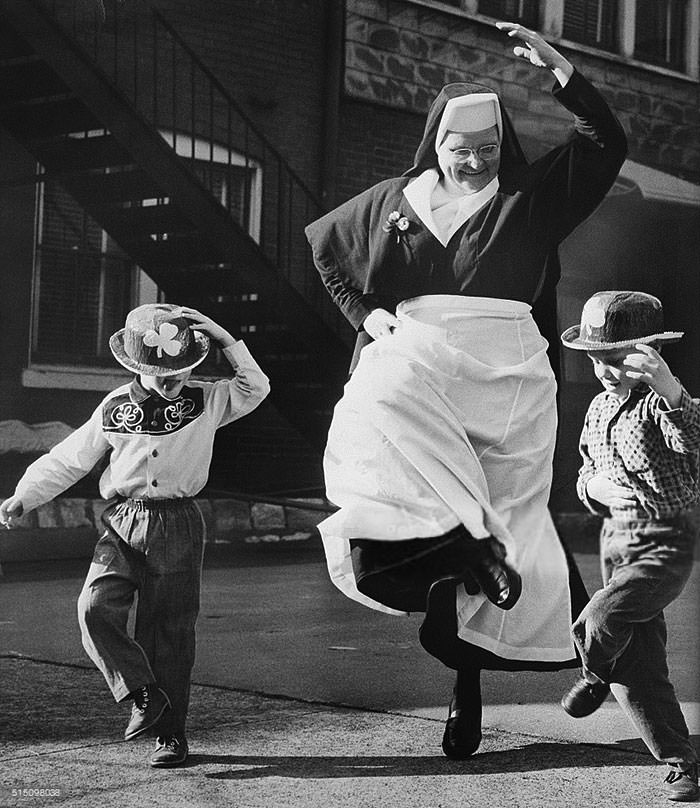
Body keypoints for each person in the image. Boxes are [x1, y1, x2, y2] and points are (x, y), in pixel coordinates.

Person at [305, 21, 627, 759]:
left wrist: (563, 72)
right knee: (398, 490)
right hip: (419, 370)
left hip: (508, 378)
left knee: (509, 526)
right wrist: (368, 315)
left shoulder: (533, 195)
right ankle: (462, 614)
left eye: (487, 151)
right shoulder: (393, 200)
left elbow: (604, 142)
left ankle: (469, 682)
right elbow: (328, 255)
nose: (476, 163)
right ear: (434, 147)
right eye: (461, 151)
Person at [0, 303, 270, 768]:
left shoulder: (209, 399)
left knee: (170, 630)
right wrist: (24, 495)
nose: (171, 383)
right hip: (123, 520)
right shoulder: (114, 407)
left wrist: (226, 338)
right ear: (135, 366)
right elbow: (71, 457)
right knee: (94, 606)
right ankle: (142, 692)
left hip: (180, 522)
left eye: (181, 372)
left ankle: (170, 735)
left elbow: (256, 387)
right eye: (160, 374)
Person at [559, 290, 698, 803]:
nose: (609, 372)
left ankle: (593, 673)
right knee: (640, 660)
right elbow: (584, 471)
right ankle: (681, 762)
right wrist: (593, 489)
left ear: (651, 355)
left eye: (620, 361)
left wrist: (670, 389)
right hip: (616, 540)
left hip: (665, 541)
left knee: (599, 619)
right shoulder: (597, 407)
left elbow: (693, 443)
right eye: (599, 361)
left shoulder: (664, 404)